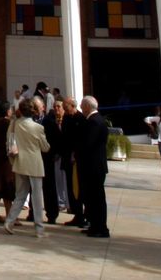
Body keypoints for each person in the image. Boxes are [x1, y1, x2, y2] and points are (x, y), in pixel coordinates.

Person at [4, 96, 51, 238]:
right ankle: (39, 228)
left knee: (20, 195)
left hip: (20, 162)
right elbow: (45, 147)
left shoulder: (16, 124)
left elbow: (10, 139)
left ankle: (10, 221)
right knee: (37, 197)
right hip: (34, 163)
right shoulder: (38, 127)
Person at [77, 96, 111, 238]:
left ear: (87, 107)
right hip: (93, 166)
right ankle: (94, 225)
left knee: (96, 198)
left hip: (94, 166)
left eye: (82, 105)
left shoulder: (94, 122)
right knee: (92, 198)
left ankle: (100, 227)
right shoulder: (95, 120)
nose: (80, 107)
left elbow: (88, 144)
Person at [60, 96, 85, 226]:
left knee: (79, 188)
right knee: (71, 188)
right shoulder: (66, 118)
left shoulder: (80, 119)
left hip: (77, 160)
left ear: (73, 106)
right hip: (67, 159)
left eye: (66, 107)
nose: (64, 109)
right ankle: (76, 214)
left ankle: (82, 216)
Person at [39, 94, 62, 223]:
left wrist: (54, 153)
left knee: (50, 186)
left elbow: (56, 139)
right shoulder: (43, 120)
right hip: (39, 158)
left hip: (49, 158)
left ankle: (52, 214)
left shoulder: (49, 121)